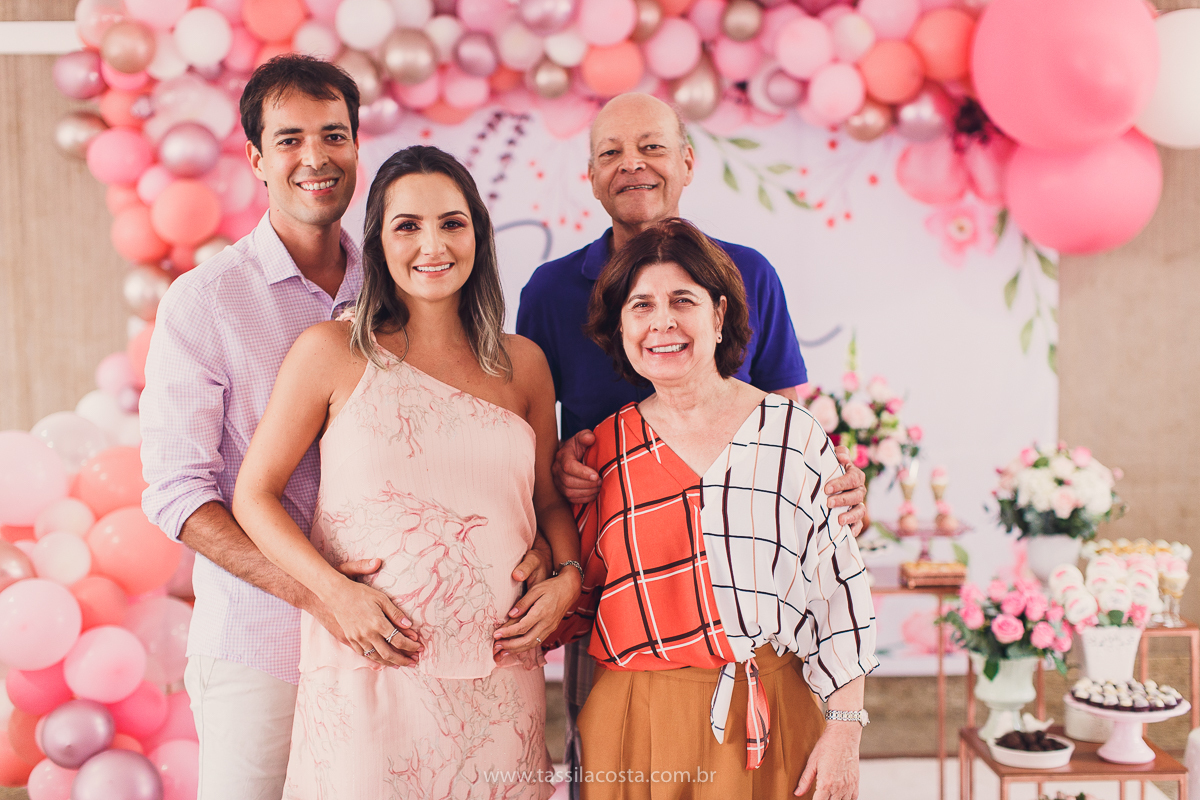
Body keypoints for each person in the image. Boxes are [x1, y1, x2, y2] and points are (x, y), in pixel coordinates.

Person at [140, 58, 548, 800]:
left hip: (414, 659)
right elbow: (178, 493)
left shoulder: (404, 272)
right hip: (262, 644)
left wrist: (542, 545)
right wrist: (321, 595)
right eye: (290, 139)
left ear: (358, 147)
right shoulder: (206, 302)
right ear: (256, 159)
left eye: (333, 135)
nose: (316, 157)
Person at [514, 92, 868, 786]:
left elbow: (791, 432)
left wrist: (832, 488)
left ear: (687, 162)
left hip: (750, 603)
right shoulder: (550, 292)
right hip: (619, 581)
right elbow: (524, 437)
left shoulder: (749, 273)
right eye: (611, 152)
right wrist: (560, 466)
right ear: (590, 175)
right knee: (610, 761)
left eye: (651, 146)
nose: (632, 164)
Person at [231, 145, 581, 800]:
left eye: (452, 223)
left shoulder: (523, 364)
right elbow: (255, 495)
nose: (433, 245)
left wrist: (568, 578)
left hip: (501, 679)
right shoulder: (331, 352)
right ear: (378, 242)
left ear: (478, 234)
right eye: (408, 226)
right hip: (369, 671)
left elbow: (550, 502)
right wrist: (332, 593)